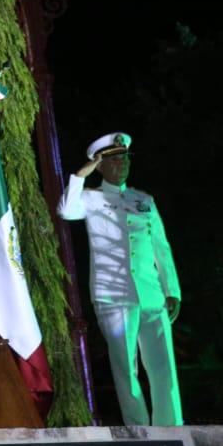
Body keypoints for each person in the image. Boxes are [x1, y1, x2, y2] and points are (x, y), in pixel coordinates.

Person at [57, 131, 182, 426]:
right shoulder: (91, 198)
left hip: (151, 293)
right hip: (113, 294)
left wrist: (172, 290)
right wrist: (80, 174)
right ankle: (138, 429)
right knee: (126, 368)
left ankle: (173, 428)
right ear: (100, 165)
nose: (123, 163)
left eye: (125, 157)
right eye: (114, 160)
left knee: (164, 366)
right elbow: (65, 210)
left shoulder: (144, 199)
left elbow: (161, 247)